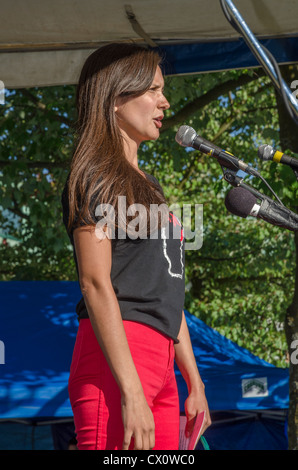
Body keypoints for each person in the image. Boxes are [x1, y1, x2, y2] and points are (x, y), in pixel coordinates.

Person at [61, 42, 211, 451]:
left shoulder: (151, 187)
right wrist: (131, 391)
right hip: (117, 357)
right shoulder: (95, 174)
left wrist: (193, 381)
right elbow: (94, 283)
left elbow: (167, 292)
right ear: (114, 97)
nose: (164, 102)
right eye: (152, 90)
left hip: (162, 361)